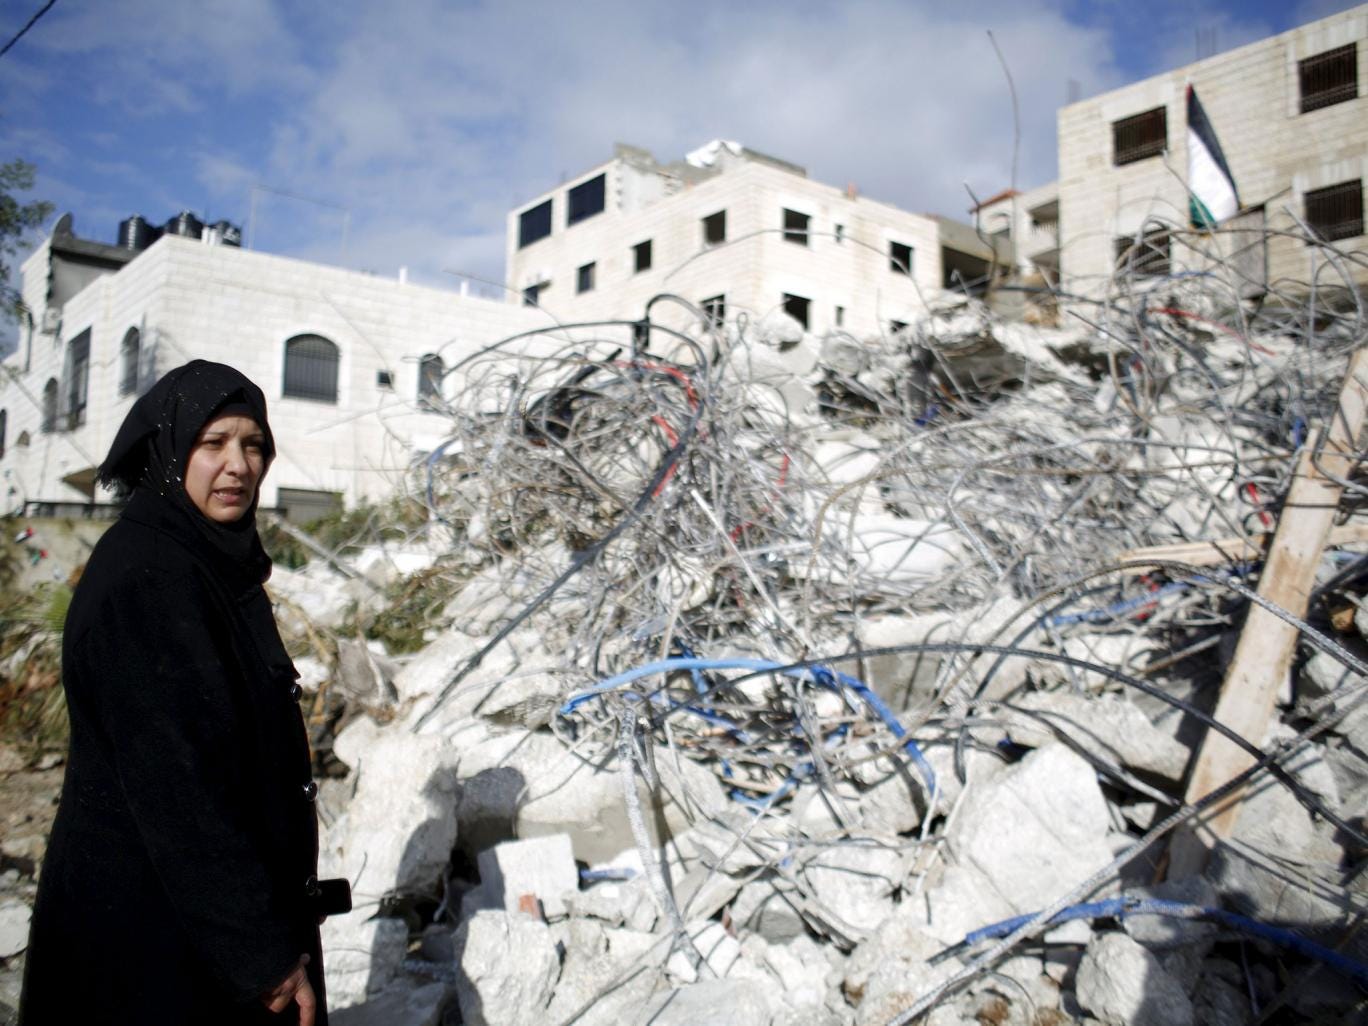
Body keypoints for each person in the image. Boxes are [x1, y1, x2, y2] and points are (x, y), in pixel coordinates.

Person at [21, 361, 348, 1024]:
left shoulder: (202, 561)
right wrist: (260, 954)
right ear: (168, 452)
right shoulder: (148, 577)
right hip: (156, 946)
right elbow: (177, 787)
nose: (238, 465)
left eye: (253, 445)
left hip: (188, 930)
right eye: (212, 443)